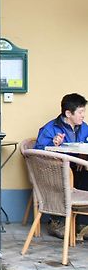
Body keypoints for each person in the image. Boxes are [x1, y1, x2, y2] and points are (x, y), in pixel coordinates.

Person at [35, 93, 88, 239]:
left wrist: (83, 156)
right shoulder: (50, 128)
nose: (83, 115)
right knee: (66, 176)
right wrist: (53, 144)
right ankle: (57, 222)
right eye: (80, 112)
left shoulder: (84, 128)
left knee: (85, 173)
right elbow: (37, 152)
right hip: (55, 172)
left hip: (77, 168)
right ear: (68, 113)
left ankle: (82, 224)